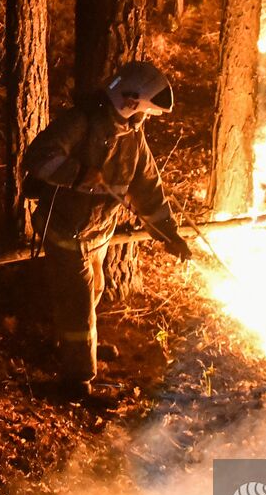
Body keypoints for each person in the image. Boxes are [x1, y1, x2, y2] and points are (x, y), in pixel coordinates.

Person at [21, 61, 192, 399]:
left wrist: (168, 234)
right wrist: (79, 173)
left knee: (95, 289)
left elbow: (147, 187)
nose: (144, 116)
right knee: (78, 305)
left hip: (98, 233)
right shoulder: (80, 122)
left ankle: (78, 346)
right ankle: (77, 379)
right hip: (66, 232)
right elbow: (38, 158)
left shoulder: (133, 133)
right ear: (130, 100)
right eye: (143, 109)